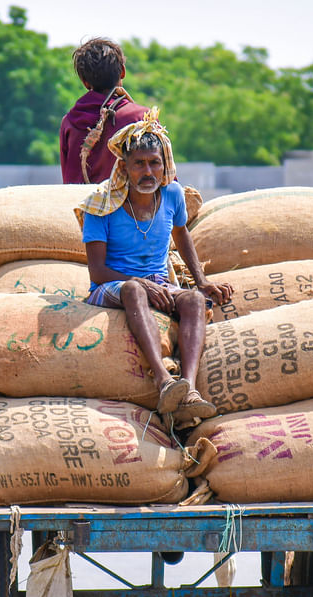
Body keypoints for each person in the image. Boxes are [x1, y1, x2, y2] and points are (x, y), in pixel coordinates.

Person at [78, 109, 232, 422]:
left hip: (158, 282)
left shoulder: (173, 193)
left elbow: (181, 233)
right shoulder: (101, 204)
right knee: (134, 289)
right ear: (124, 167)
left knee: (192, 300)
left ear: (164, 165)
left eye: (155, 162)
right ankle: (163, 380)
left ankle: (187, 388)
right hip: (112, 286)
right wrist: (142, 282)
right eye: (139, 164)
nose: (148, 172)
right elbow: (97, 272)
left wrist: (201, 281)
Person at [60, 37, 150, 184]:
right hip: (126, 207)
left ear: (84, 82)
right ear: (122, 72)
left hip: (80, 205)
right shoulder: (142, 117)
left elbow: (68, 181)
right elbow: (165, 177)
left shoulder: (69, 122)